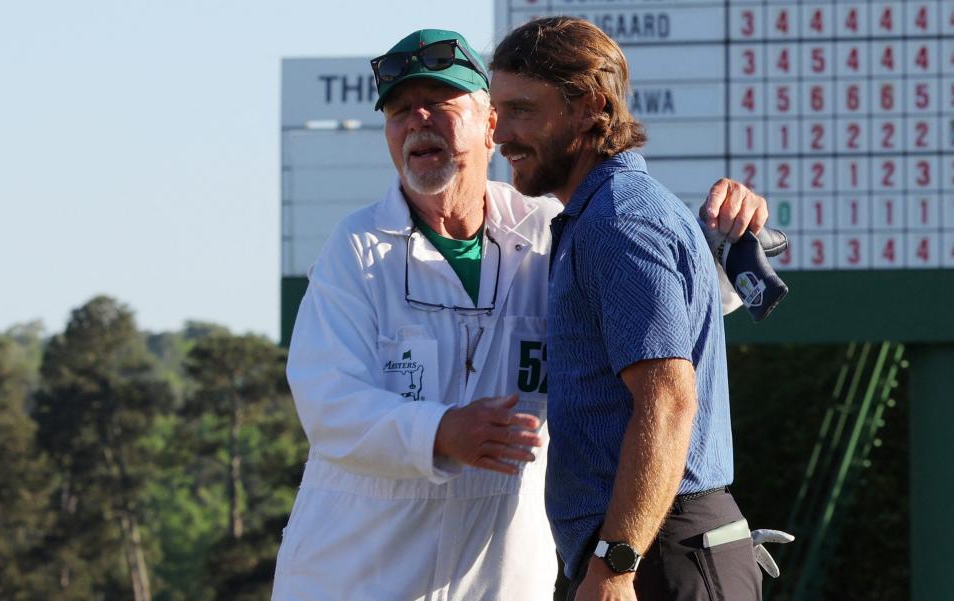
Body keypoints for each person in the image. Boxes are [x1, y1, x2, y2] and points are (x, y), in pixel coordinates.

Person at [271, 27, 768, 601]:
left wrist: (730, 234)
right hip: (357, 580)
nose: (417, 121)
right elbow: (326, 400)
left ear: (491, 126)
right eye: (400, 111)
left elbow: (661, 315)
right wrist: (438, 431)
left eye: (440, 105)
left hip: (504, 583)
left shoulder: (550, 229)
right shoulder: (356, 247)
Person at [490, 16, 764, 601]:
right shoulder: (602, 215)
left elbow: (667, 400)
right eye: (498, 110)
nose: (500, 133)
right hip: (647, 547)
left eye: (521, 110)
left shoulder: (619, 222)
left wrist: (615, 564)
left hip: (656, 553)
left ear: (589, 106)